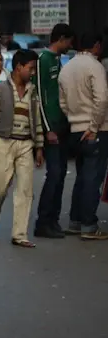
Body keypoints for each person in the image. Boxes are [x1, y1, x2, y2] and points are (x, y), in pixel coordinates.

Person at [0, 50, 44, 248]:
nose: (32, 72)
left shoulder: (33, 92)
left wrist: (39, 147)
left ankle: (19, 234)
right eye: (30, 68)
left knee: (25, 190)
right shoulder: (1, 90)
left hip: (26, 144)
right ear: (19, 67)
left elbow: (37, 120)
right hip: (3, 143)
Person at [58, 33, 108, 240]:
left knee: (81, 176)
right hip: (95, 130)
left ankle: (76, 222)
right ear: (96, 45)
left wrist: (73, 119)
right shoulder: (95, 66)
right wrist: (94, 126)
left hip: (75, 129)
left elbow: (62, 102)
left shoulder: (67, 67)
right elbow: (102, 98)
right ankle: (89, 225)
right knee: (92, 178)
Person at [33, 23, 74, 239]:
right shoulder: (43, 61)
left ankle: (53, 221)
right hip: (51, 129)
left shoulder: (58, 61)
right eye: (69, 41)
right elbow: (39, 96)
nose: (70, 45)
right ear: (61, 39)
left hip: (61, 125)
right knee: (54, 174)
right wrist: (47, 129)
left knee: (59, 176)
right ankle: (43, 222)